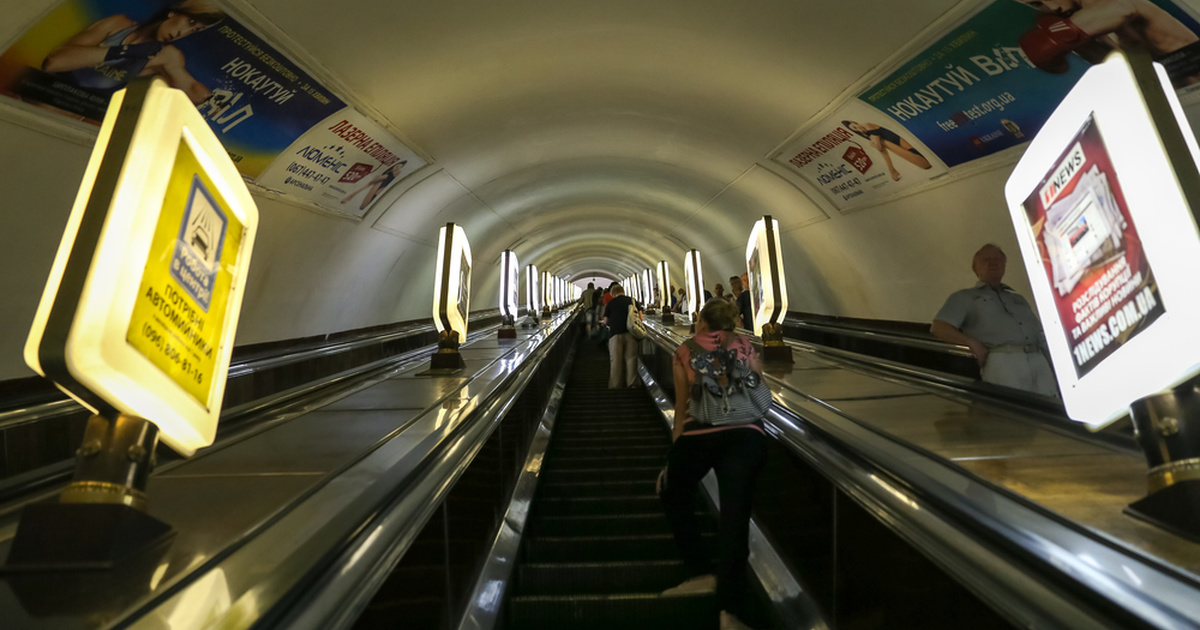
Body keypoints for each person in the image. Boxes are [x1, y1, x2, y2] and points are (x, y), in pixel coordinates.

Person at [660, 299, 768, 630]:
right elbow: (759, 389)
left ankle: (701, 572)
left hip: (700, 434)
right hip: (746, 435)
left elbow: (682, 407)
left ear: (703, 323)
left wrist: (673, 460)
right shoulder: (746, 346)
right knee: (735, 516)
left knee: (672, 491)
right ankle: (730, 613)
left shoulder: (685, 350)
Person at [931, 244, 1059, 397]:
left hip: (1038, 358)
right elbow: (939, 327)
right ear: (975, 268)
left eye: (998, 260)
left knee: (1049, 405)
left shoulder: (1017, 299)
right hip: (1003, 360)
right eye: (987, 260)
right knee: (1012, 406)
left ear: (1004, 267)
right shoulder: (965, 297)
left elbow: (1038, 331)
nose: (993, 263)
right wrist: (971, 343)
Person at [41, 0, 225, 105]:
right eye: (190, 23)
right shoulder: (118, 25)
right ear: (174, 13)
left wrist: (216, 101)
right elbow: (54, 62)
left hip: (84, 113)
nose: (182, 33)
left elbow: (193, 90)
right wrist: (128, 51)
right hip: (47, 94)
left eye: (195, 30)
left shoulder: (167, 56)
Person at [1014, 0, 1200, 86]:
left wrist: (1062, 34)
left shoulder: (1096, 7)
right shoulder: (1085, 28)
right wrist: (1083, 45)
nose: (1052, 7)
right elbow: (1124, 73)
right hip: (1179, 93)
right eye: (1036, 3)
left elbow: (1123, 8)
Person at [842, 120, 933, 182]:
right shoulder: (870, 136)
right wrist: (891, 170)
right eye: (856, 129)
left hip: (905, 146)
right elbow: (883, 152)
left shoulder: (867, 125)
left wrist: (874, 143)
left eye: (856, 126)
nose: (860, 130)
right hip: (897, 148)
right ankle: (893, 171)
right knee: (925, 166)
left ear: (855, 122)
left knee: (925, 165)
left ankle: (894, 171)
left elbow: (878, 144)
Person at [601, 284, 640, 388]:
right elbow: (640, 317)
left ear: (613, 293)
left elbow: (606, 321)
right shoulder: (632, 301)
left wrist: (603, 322)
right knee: (631, 359)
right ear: (623, 291)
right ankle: (632, 383)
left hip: (615, 334)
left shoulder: (611, 303)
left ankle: (616, 385)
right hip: (631, 333)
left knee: (616, 360)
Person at [341, 160, 408, 211]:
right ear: (394, 165)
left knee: (363, 205)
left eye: (399, 167)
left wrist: (379, 178)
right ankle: (349, 197)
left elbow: (387, 177)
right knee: (364, 202)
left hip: (381, 186)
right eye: (396, 166)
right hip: (378, 184)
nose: (397, 168)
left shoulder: (396, 173)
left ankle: (349, 197)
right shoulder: (388, 173)